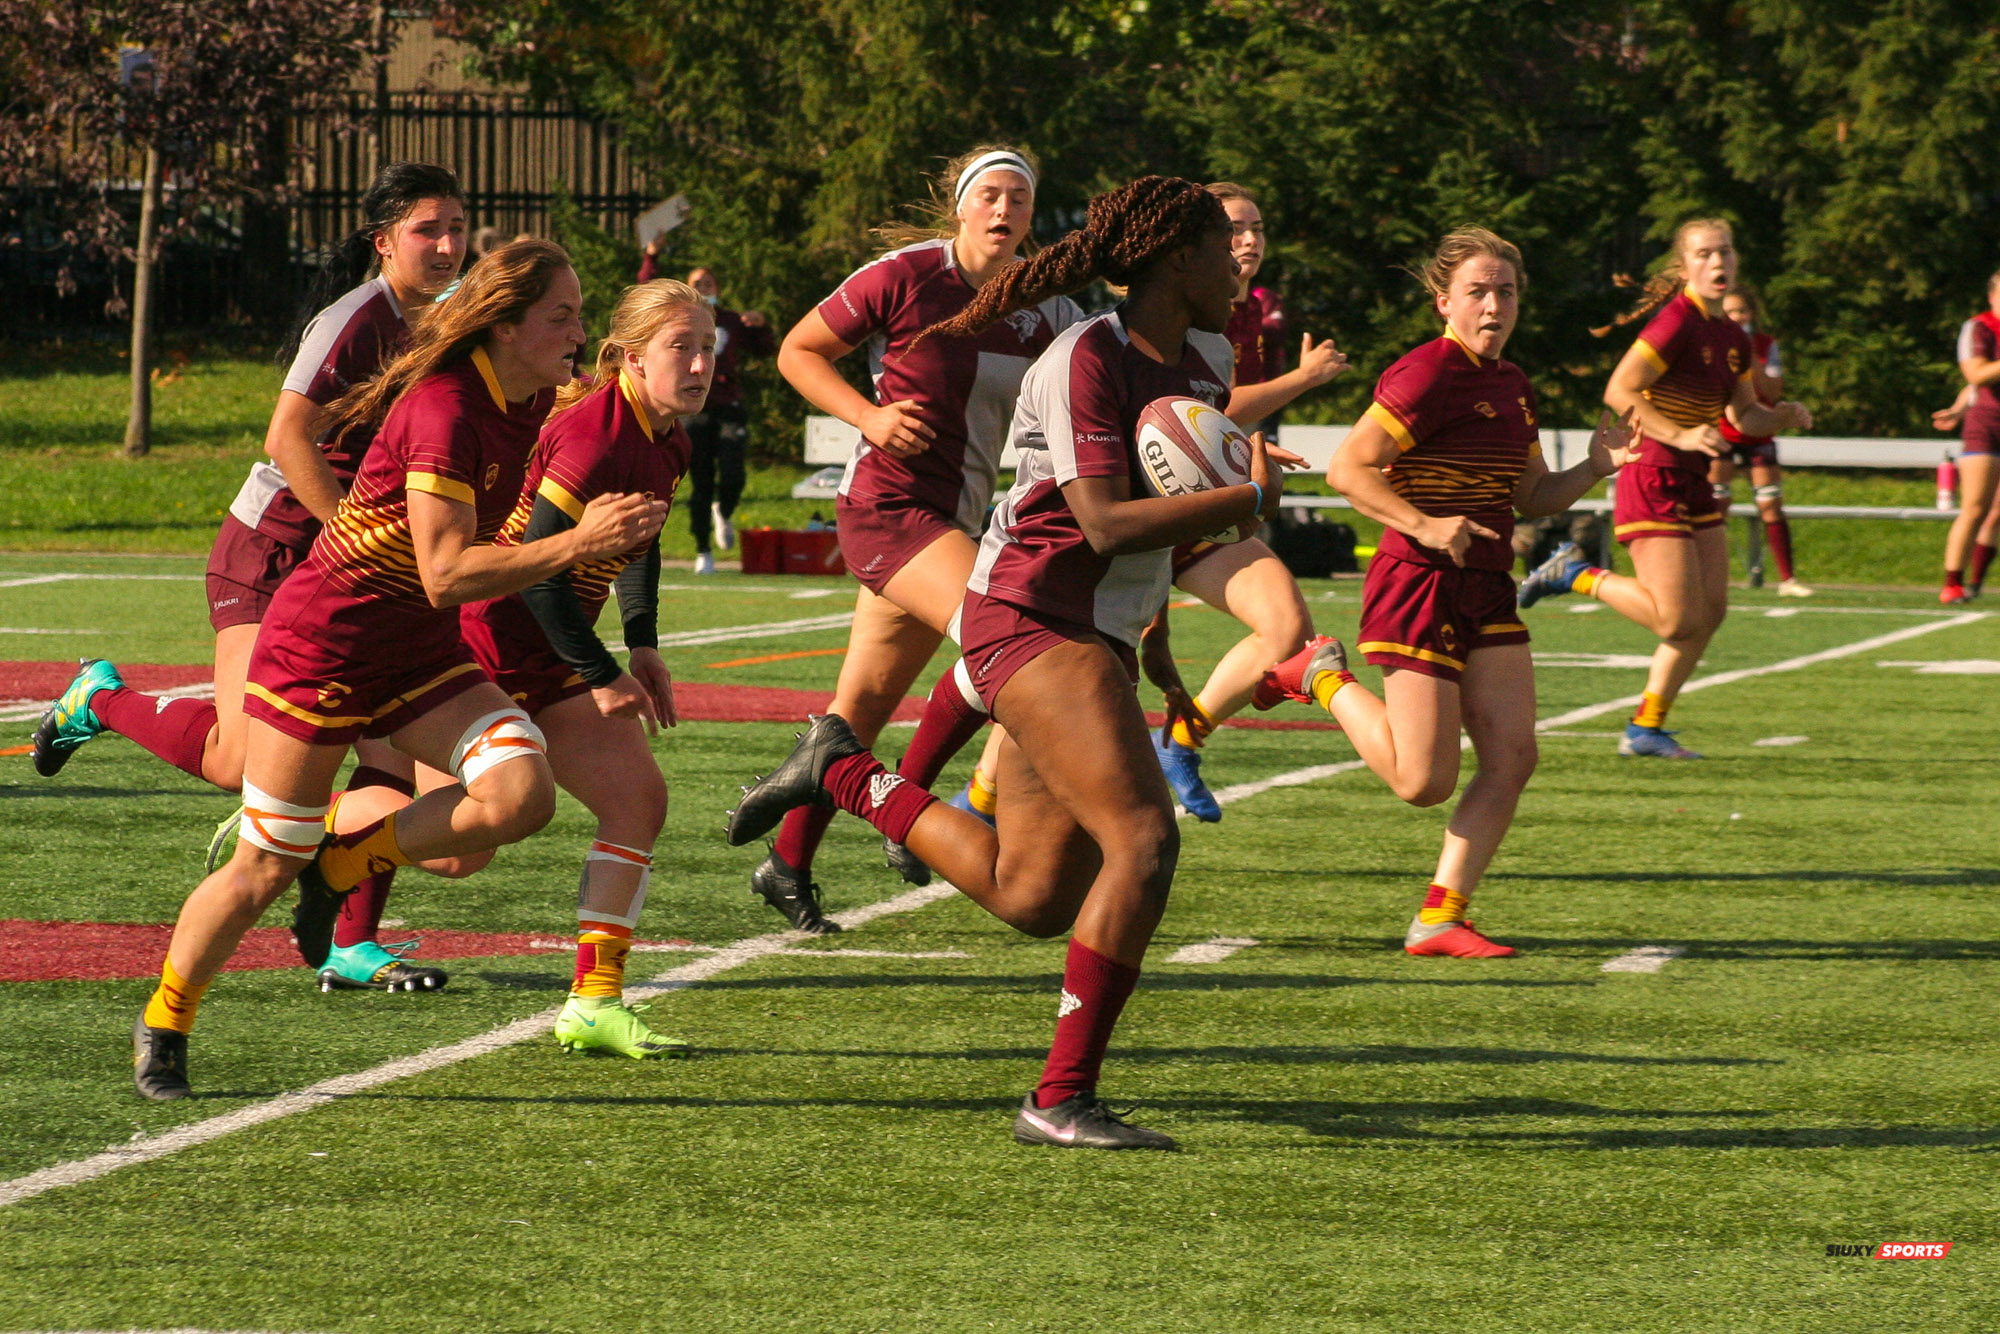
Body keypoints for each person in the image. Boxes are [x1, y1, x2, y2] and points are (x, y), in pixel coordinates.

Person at [726, 175, 1286, 1149]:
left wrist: (1158, 635)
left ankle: (842, 769)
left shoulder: (1203, 353)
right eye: (1216, 245)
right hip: (1029, 613)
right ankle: (1059, 1096)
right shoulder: (1085, 355)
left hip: (1093, 628)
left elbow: (1150, 527)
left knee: (1032, 893)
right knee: (1144, 839)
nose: (1237, 263)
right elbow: (1105, 518)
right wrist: (1238, 500)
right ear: (1169, 259)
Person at [129, 240, 670, 1100]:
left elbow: (612, 442)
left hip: (417, 650)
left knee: (520, 794)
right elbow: (445, 573)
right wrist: (578, 544)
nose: (578, 332)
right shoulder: (448, 410)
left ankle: (342, 866)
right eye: (561, 316)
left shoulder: (532, 397)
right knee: (264, 864)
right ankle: (167, 1017)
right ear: (505, 324)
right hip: (325, 649)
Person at [31, 161, 479, 993]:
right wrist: (358, 536)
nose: (450, 244)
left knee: (436, 805)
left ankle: (350, 939)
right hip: (271, 556)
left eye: (459, 226)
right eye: (430, 229)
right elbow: (287, 438)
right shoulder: (355, 319)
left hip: (358, 576)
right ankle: (99, 699)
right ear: (383, 243)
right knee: (240, 762)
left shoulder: (449, 321)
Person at [1262, 228, 1637, 958]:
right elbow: (1350, 469)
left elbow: (1531, 495)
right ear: (1444, 302)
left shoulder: (1512, 384)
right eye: (1478, 291)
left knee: (1513, 756)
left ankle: (1440, 917)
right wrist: (1423, 524)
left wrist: (1595, 466)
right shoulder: (1424, 374)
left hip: (1487, 586)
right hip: (1420, 584)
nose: (1494, 304)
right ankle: (1320, 674)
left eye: (1506, 292)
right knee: (1421, 781)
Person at [755, 145, 1083, 932]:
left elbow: (1116, 378)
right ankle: (911, 810)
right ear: (961, 205)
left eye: (1020, 201)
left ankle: (787, 865)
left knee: (858, 709)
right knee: (1003, 639)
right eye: (991, 197)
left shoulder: (1048, 308)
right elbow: (796, 351)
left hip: (958, 519)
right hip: (889, 508)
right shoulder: (904, 275)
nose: (1005, 212)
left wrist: (1225, 430)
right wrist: (866, 417)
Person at [460, 278, 714, 1058]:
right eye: (683, 347)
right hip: (487, 642)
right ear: (631, 357)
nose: (701, 363)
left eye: (709, 347)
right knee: (457, 852)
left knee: (637, 797)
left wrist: (641, 641)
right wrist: (602, 673)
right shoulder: (596, 434)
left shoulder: (667, 435)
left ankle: (594, 1002)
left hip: (549, 642)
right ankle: (316, 844)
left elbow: (640, 536)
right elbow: (536, 575)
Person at [1515, 218, 1811, 759]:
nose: (1717, 262)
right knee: (1677, 618)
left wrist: (1782, 416)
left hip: (1694, 477)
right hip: (1652, 471)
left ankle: (1646, 727)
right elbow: (1620, 388)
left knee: (1711, 612)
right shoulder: (1676, 323)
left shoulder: (1733, 336)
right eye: (1704, 254)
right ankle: (1574, 573)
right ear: (1684, 267)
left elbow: (1743, 415)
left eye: (1724, 251)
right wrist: (1678, 433)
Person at [1152, 181, 1349, 821]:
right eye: (1234, 228)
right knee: (1081, 667)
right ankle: (980, 799)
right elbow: (1199, 410)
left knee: (1287, 624)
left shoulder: (1258, 304)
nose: (1249, 240)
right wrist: (1302, 380)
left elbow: (1219, 418)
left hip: (1210, 505)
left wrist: (1249, 449)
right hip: (1140, 505)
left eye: (1258, 228)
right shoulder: (1172, 301)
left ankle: (1180, 740)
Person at [1710, 285, 1810, 596]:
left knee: (1771, 504)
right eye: (1729, 312)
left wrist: (1750, 358)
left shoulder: (1767, 346)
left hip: (1759, 432)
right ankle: (1712, 575)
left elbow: (1772, 392)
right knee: (1717, 504)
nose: (1736, 318)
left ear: (1752, 314)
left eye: (1741, 311)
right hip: (1722, 433)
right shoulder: (1711, 344)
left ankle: (1788, 579)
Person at [1930, 270, 2000, 603]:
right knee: (1975, 507)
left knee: (1998, 511)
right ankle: (1952, 583)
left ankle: (1974, 584)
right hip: (1987, 425)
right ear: (1991, 296)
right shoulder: (1979, 327)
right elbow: (1976, 374)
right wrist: (1962, 409)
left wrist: (1958, 404)